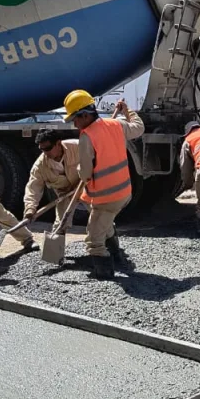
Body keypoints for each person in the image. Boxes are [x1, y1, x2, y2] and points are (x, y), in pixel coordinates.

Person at [62, 90, 144, 279]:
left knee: (94, 238)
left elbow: (85, 172)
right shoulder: (116, 124)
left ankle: (104, 272)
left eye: (74, 119)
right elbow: (138, 128)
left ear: (84, 115)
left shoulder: (87, 137)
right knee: (104, 224)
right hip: (123, 191)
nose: (74, 124)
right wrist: (127, 111)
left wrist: (81, 174)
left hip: (105, 196)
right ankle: (117, 256)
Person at [23, 129, 81, 233]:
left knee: (100, 217)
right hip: (65, 193)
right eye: (42, 149)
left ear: (58, 144)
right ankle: (56, 246)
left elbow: (97, 160)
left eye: (48, 148)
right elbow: (33, 188)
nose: (45, 153)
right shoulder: (40, 166)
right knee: (60, 224)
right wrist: (30, 209)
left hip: (86, 186)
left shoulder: (78, 147)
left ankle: (110, 241)